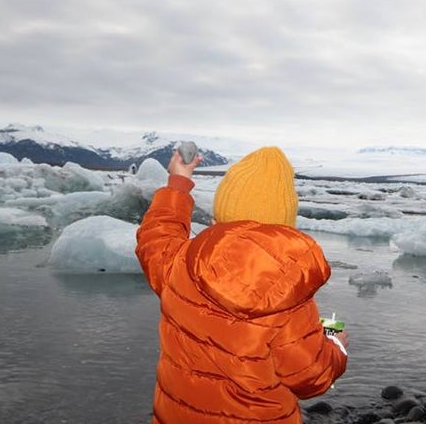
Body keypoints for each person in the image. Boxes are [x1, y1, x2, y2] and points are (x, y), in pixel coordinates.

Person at [136, 146, 348, 423]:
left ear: (215, 222)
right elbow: (311, 379)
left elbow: (157, 235)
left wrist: (178, 182)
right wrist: (335, 346)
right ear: (287, 229)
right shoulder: (289, 298)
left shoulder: (179, 264)